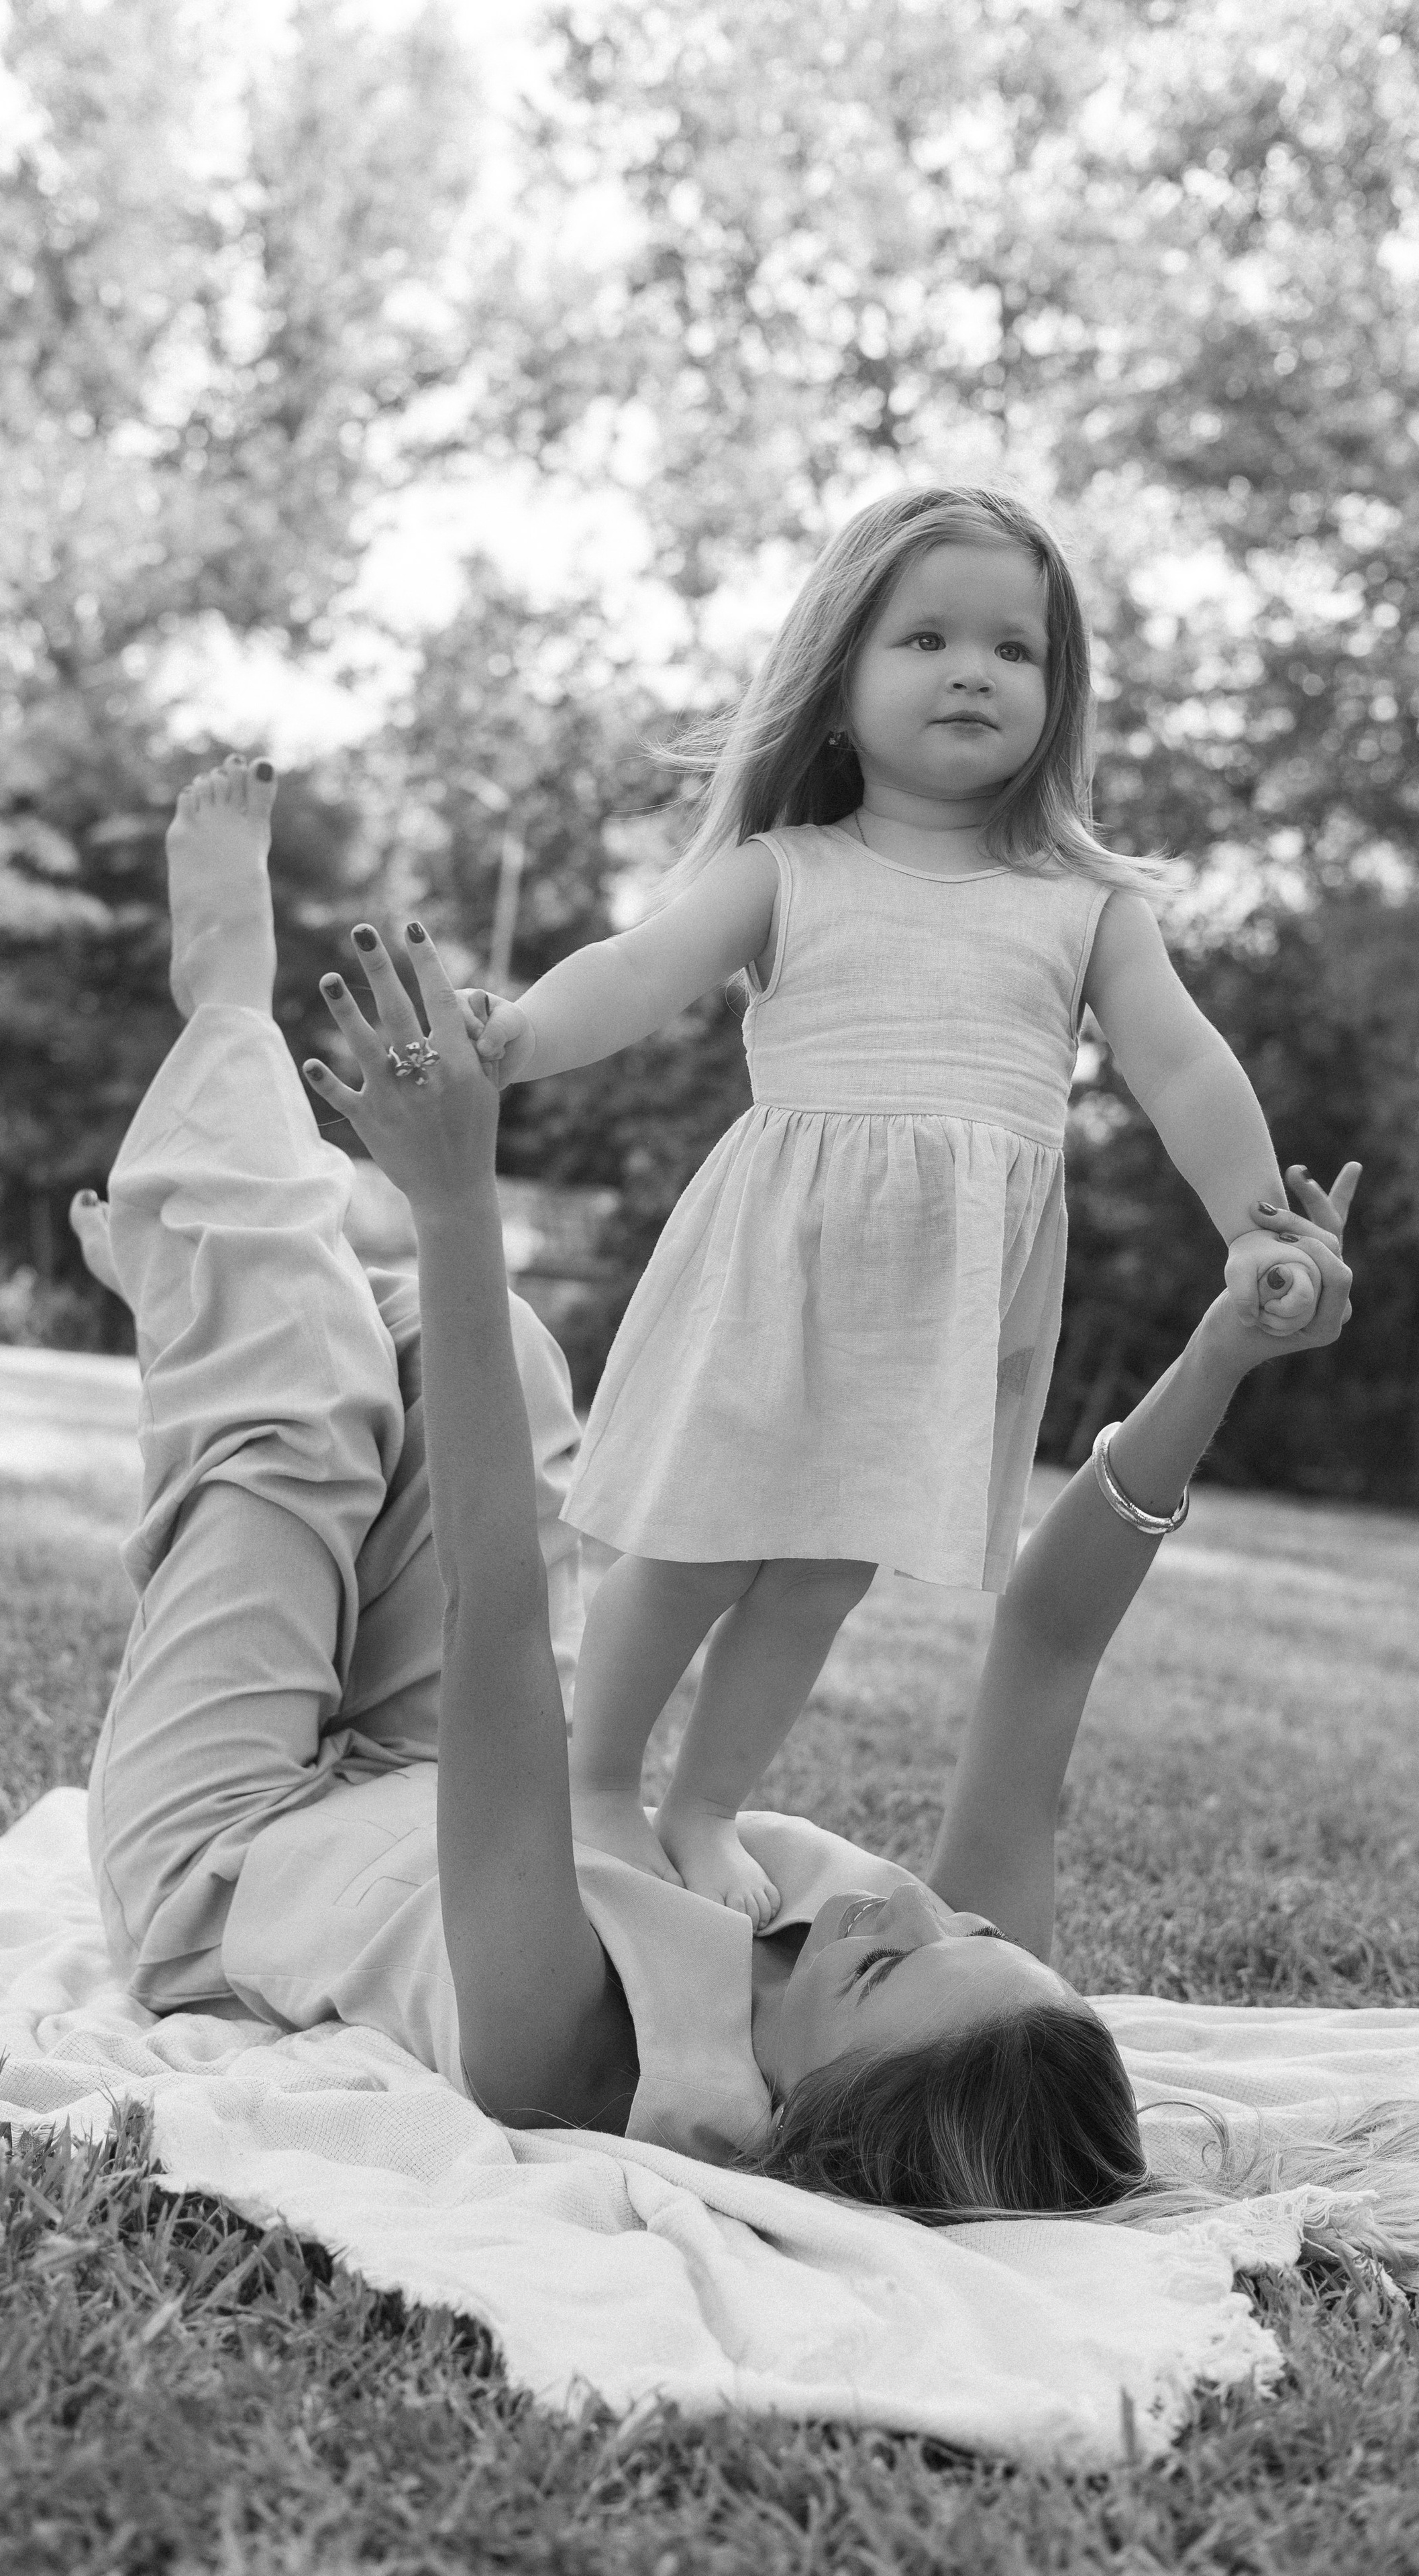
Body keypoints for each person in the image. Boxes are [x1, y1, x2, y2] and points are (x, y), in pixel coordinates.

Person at [78, 753, 1356, 2221]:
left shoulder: (561, 2041)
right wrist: (1223, 1353)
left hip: (229, 1837)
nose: (898, 1903)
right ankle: (202, 1278)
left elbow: (502, 1605)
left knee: (302, 1407)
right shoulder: (981, 2015)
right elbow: (1049, 1644)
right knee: (502, 1357)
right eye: (967, 1928)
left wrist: (453, 1196)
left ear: (785, 2121)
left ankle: (221, 1020)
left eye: (882, 1964)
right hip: (413, 1769)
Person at [469, 484, 1320, 1927]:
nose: (972, 671)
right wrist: (517, 1036)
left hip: (934, 1309)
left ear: (1057, 692)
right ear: (838, 679)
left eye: (1013, 648)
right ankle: (597, 1781)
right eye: (925, 638)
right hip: (774, 1269)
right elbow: (634, 971)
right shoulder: (786, 871)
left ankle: (702, 1804)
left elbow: (1179, 1063)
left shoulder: (1083, 903)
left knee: (820, 1576)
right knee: (692, 1545)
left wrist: (1252, 1221)